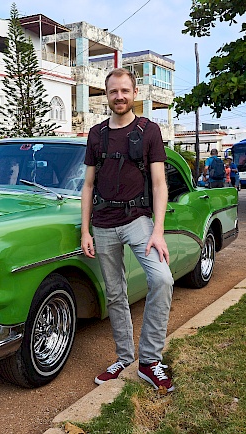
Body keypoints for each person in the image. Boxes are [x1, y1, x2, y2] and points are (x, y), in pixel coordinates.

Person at [81, 68, 175, 393]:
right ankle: (124, 357)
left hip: (139, 222)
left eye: (124, 90)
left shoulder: (149, 131)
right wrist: (85, 230)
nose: (119, 96)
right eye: (113, 92)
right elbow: (88, 185)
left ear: (135, 93)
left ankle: (149, 360)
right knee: (115, 294)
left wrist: (158, 230)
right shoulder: (95, 134)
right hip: (103, 225)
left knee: (162, 280)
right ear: (106, 95)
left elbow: (160, 183)